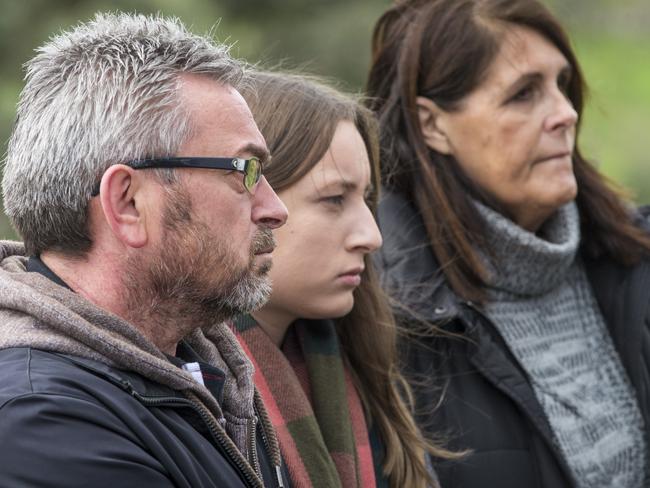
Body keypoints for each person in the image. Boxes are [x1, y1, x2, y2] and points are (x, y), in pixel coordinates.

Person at [366, 0, 650, 487]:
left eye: (561, 86)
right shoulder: (382, 311)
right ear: (433, 125)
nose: (566, 113)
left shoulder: (633, 254)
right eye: (523, 94)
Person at [0, 13, 290, 488]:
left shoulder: (207, 373)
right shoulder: (43, 422)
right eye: (245, 171)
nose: (275, 208)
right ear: (128, 203)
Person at [217, 70, 451, 488]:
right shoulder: (190, 391)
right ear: (255, 201)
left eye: (367, 200)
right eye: (333, 199)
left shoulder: (362, 363)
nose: (372, 236)